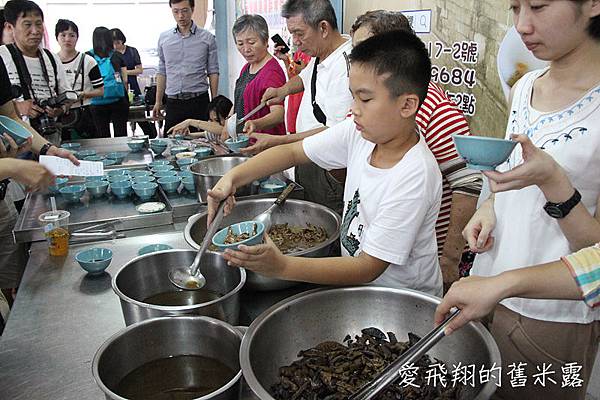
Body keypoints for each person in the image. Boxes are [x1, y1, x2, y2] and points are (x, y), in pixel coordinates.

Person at [208, 30, 444, 296]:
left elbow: (368, 266)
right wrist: (231, 179)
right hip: (360, 291)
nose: (354, 108)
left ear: (407, 105)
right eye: (353, 96)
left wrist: (283, 266)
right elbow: (293, 152)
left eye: (365, 99)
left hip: (403, 301)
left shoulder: (414, 174)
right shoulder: (360, 134)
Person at [462, 1, 600, 399]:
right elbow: (507, 179)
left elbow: (594, 252)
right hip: (485, 288)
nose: (522, 25)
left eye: (538, 6)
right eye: (515, 7)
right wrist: (489, 207)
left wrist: (554, 182)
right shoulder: (525, 86)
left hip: (550, 315)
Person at [348, 10, 482, 289]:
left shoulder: (439, 112)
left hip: (419, 257)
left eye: (365, 48)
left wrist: (449, 257)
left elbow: (469, 185)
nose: (357, 57)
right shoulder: (374, 106)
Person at [256, 0, 353, 216]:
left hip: (327, 170)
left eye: (299, 33)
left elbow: (336, 132)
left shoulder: (345, 66)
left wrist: (279, 142)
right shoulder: (321, 54)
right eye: (292, 34)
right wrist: (281, 91)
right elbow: (304, 77)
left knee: (325, 230)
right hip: (308, 156)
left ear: (323, 28)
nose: (296, 42)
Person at [170, 14, 285, 140]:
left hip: (265, 143)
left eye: (251, 42)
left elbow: (278, 114)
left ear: (265, 40)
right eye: (240, 43)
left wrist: (255, 124)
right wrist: (228, 123)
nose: (246, 49)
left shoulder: (272, 72)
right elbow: (239, 103)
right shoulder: (247, 68)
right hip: (245, 142)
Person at [0, 0, 71, 146]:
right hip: (14, 144)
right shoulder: (2, 56)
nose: (35, 30)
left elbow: (68, 96)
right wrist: (17, 108)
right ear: (10, 27)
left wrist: (59, 109)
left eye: (39, 24)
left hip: (51, 139)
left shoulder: (51, 57)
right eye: (27, 25)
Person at [152, 0, 219, 133]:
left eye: (184, 11)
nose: (180, 16)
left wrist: (214, 102)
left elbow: (213, 71)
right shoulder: (164, 38)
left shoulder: (207, 38)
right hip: (173, 102)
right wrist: (158, 101)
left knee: (202, 144)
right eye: (176, 11)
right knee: (171, 143)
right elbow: (162, 71)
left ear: (192, 9)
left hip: (199, 101)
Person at [55, 19, 103, 141]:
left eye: (72, 35)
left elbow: (100, 91)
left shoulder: (88, 61)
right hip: (59, 115)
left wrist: (83, 94)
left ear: (77, 38)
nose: (67, 39)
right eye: (63, 35)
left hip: (84, 114)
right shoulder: (50, 61)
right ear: (57, 37)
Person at [111, 27, 156, 138]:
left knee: (138, 114)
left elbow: (139, 70)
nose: (116, 45)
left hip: (132, 85)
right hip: (118, 86)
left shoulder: (131, 51)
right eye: (113, 43)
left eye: (118, 42)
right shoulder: (111, 54)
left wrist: (124, 72)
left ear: (122, 40)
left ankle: (150, 133)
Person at [88, 26, 128, 138]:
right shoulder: (117, 55)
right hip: (117, 101)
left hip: (96, 102)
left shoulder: (88, 56)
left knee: (102, 135)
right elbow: (125, 80)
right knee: (121, 135)